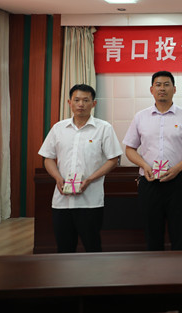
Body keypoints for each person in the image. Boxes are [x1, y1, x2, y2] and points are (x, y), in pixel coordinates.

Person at [123, 71, 182, 250]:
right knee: (152, 234)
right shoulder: (141, 117)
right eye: (158, 85)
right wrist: (144, 165)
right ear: (151, 90)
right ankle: (154, 268)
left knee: (179, 233)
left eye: (167, 85)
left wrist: (177, 168)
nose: (162, 88)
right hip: (149, 181)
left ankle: (180, 267)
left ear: (174, 89)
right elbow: (129, 149)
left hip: (178, 182)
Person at [38, 84, 122, 253]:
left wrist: (89, 179)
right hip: (62, 201)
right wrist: (57, 178)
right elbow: (48, 158)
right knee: (64, 249)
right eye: (76, 100)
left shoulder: (104, 128)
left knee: (92, 248)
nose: (81, 104)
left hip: (90, 201)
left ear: (94, 103)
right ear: (69, 102)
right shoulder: (58, 128)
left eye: (85, 100)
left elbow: (114, 159)